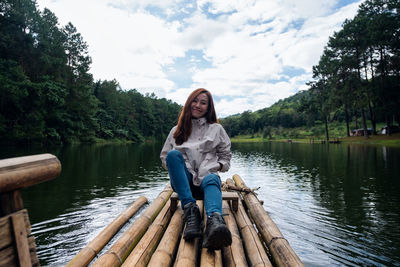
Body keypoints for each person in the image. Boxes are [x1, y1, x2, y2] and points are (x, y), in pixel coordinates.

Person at [160, 88, 232, 250]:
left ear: (208, 107)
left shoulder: (217, 129)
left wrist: (216, 166)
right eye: (195, 101)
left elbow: (225, 159)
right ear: (189, 103)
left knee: (212, 178)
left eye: (203, 102)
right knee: (172, 155)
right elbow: (165, 159)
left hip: (206, 184)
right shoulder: (176, 130)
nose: (198, 105)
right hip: (184, 187)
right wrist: (180, 167)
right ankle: (190, 211)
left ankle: (214, 221)